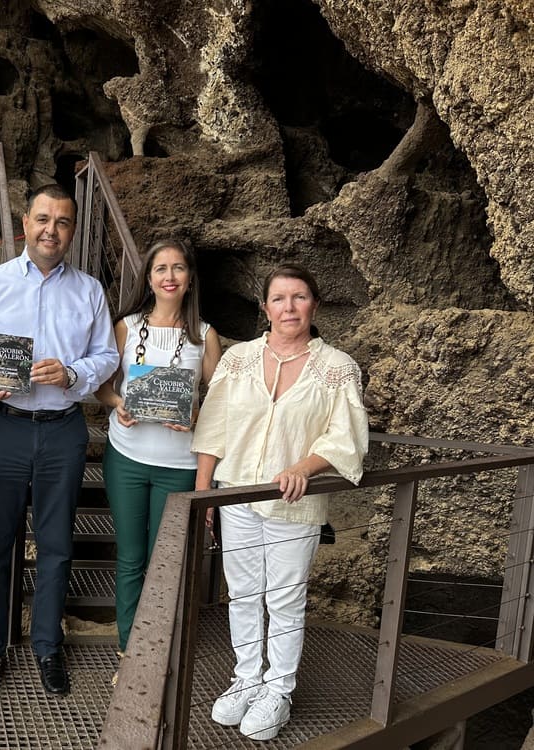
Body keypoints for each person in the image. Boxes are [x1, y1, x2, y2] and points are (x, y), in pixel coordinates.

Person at [191, 263, 369, 741]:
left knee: (285, 597)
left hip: (295, 501)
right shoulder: (239, 359)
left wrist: (303, 468)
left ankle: (278, 688)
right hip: (236, 494)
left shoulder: (336, 367)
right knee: (244, 592)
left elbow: (345, 437)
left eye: (299, 297)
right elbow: (214, 427)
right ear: (265, 308)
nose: (289, 307)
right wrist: (207, 491)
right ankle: (246, 677)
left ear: (314, 304)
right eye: (279, 299)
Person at [0, 184, 119, 700]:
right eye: (43, 219)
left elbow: (107, 356)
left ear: (72, 230)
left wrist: (70, 372)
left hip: (62, 429)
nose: (51, 230)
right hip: (2, 424)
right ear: (24, 224)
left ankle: (48, 646)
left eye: (63, 221)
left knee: (56, 545)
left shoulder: (89, 290)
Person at [94, 238, 221, 682]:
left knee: (165, 561)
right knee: (130, 558)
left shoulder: (205, 336)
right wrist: (117, 403)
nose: (169, 276)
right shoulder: (125, 326)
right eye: (161, 269)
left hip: (180, 465)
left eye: (178, 268)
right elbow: (102, 385)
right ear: (148, 279)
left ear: (189, 280)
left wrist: (195, 415)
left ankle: (159, 646)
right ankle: (130, 651)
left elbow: (219, 406)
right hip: (127, 457)